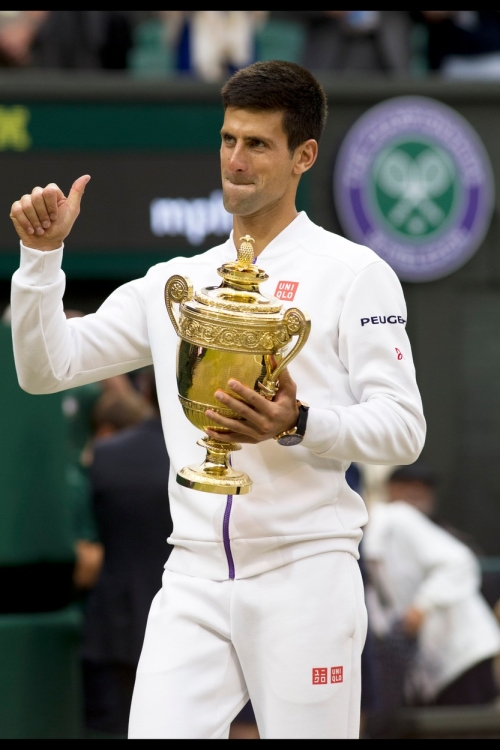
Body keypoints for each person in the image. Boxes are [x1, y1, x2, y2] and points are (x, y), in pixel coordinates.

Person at [9, 60, 425, 739]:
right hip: (193, 574)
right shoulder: (175, 282)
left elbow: (403, 429)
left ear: (304, 156)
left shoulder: (355, 274)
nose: (235, 159)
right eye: (228, 139)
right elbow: (45, 369)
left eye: (257, 144)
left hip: (306, 575)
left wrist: (299, 422)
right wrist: (39, 259)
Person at [363, 464, 500, 709]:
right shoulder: (372, 536)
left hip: (461, 656)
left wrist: (422, 606)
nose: (416, 493)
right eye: (408, 487)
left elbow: (459, 562)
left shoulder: (397, 517)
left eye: (422, 488)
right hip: (434, 668)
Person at [82, 369, 173, 736]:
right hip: (184, 623)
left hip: (113, 628)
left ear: (146, 391)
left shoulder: (105, 455)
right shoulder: (216, 462)